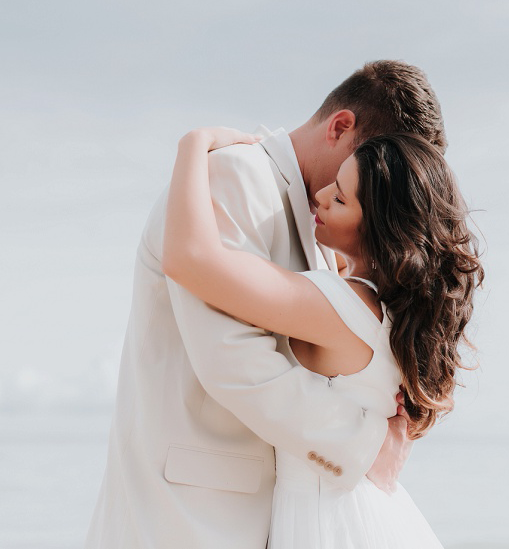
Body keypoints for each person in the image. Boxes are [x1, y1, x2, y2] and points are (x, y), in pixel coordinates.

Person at [85, 61, 448, 549]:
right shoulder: (234, 176)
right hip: (191, 517)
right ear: (340, 127)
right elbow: (234, 360)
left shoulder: (332, 237)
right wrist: (363, 443)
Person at [162, 128, 482, 548]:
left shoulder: (339, 305)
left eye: (342, 198)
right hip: (365, 512)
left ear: (379, 230)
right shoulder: (388, 312)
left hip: (329, 523)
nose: (322, 195)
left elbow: (192, 260)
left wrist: (194, 145)